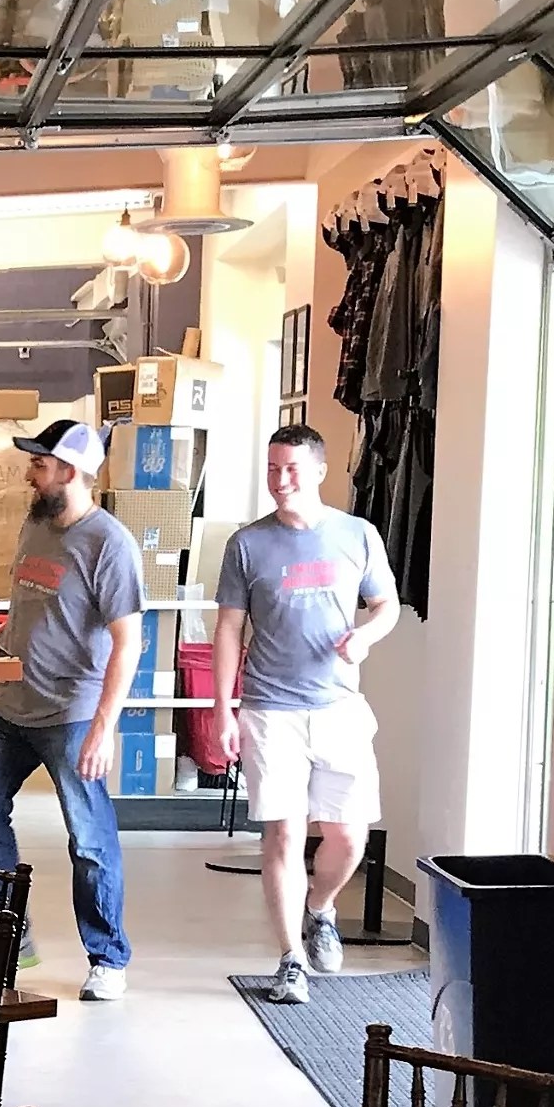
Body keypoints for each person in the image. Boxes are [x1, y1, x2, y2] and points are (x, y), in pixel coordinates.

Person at [210, 421, 401, 1006]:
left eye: (292, 469)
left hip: (339, 706)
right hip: (271, 710)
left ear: (319, 470)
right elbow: (229, 629)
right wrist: (223, 708)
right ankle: (290, 957)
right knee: (285, 832)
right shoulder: (247, 545)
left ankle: (320, 908)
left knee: (348, 834)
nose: (281, 480)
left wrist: (366, 637)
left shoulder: (357, 534)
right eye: (272, 469)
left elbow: (386, 604)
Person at [0, 417, 145, 1001]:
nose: (29, 475)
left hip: (72, 713)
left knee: (89, 841)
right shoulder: (36, 525)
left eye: (39, 464)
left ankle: (108, 958)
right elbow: (31, 608)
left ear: (70, 471)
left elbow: (128, 642)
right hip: (9, 705)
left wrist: (104, 728)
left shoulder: (109, 545)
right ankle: (7, 936)